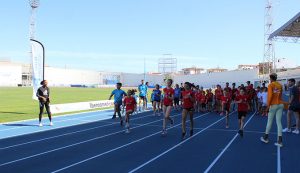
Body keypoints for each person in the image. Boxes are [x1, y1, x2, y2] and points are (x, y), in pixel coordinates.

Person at [260, 73, 284, 147]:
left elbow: (270, 97)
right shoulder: (280, 85)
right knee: (279, 123)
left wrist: (267, 107)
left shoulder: (270, 85)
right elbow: (280, 95)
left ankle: (265, 137)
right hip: (280, 104)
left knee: (269, 122)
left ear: (271, 78)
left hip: (273, 105)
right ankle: (280, 141)